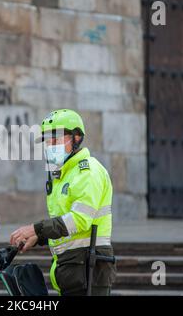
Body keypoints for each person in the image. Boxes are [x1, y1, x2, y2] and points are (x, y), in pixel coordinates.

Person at [10, 109, 116, 296]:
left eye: (56, 139)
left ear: (76, 138)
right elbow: (65, 224)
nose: (50, 145)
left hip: (89, 269)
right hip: (73, 269)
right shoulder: (64, 175)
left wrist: (36, 229)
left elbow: (79, 220)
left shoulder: (88, 171)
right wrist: (40, 238)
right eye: (47, 141)